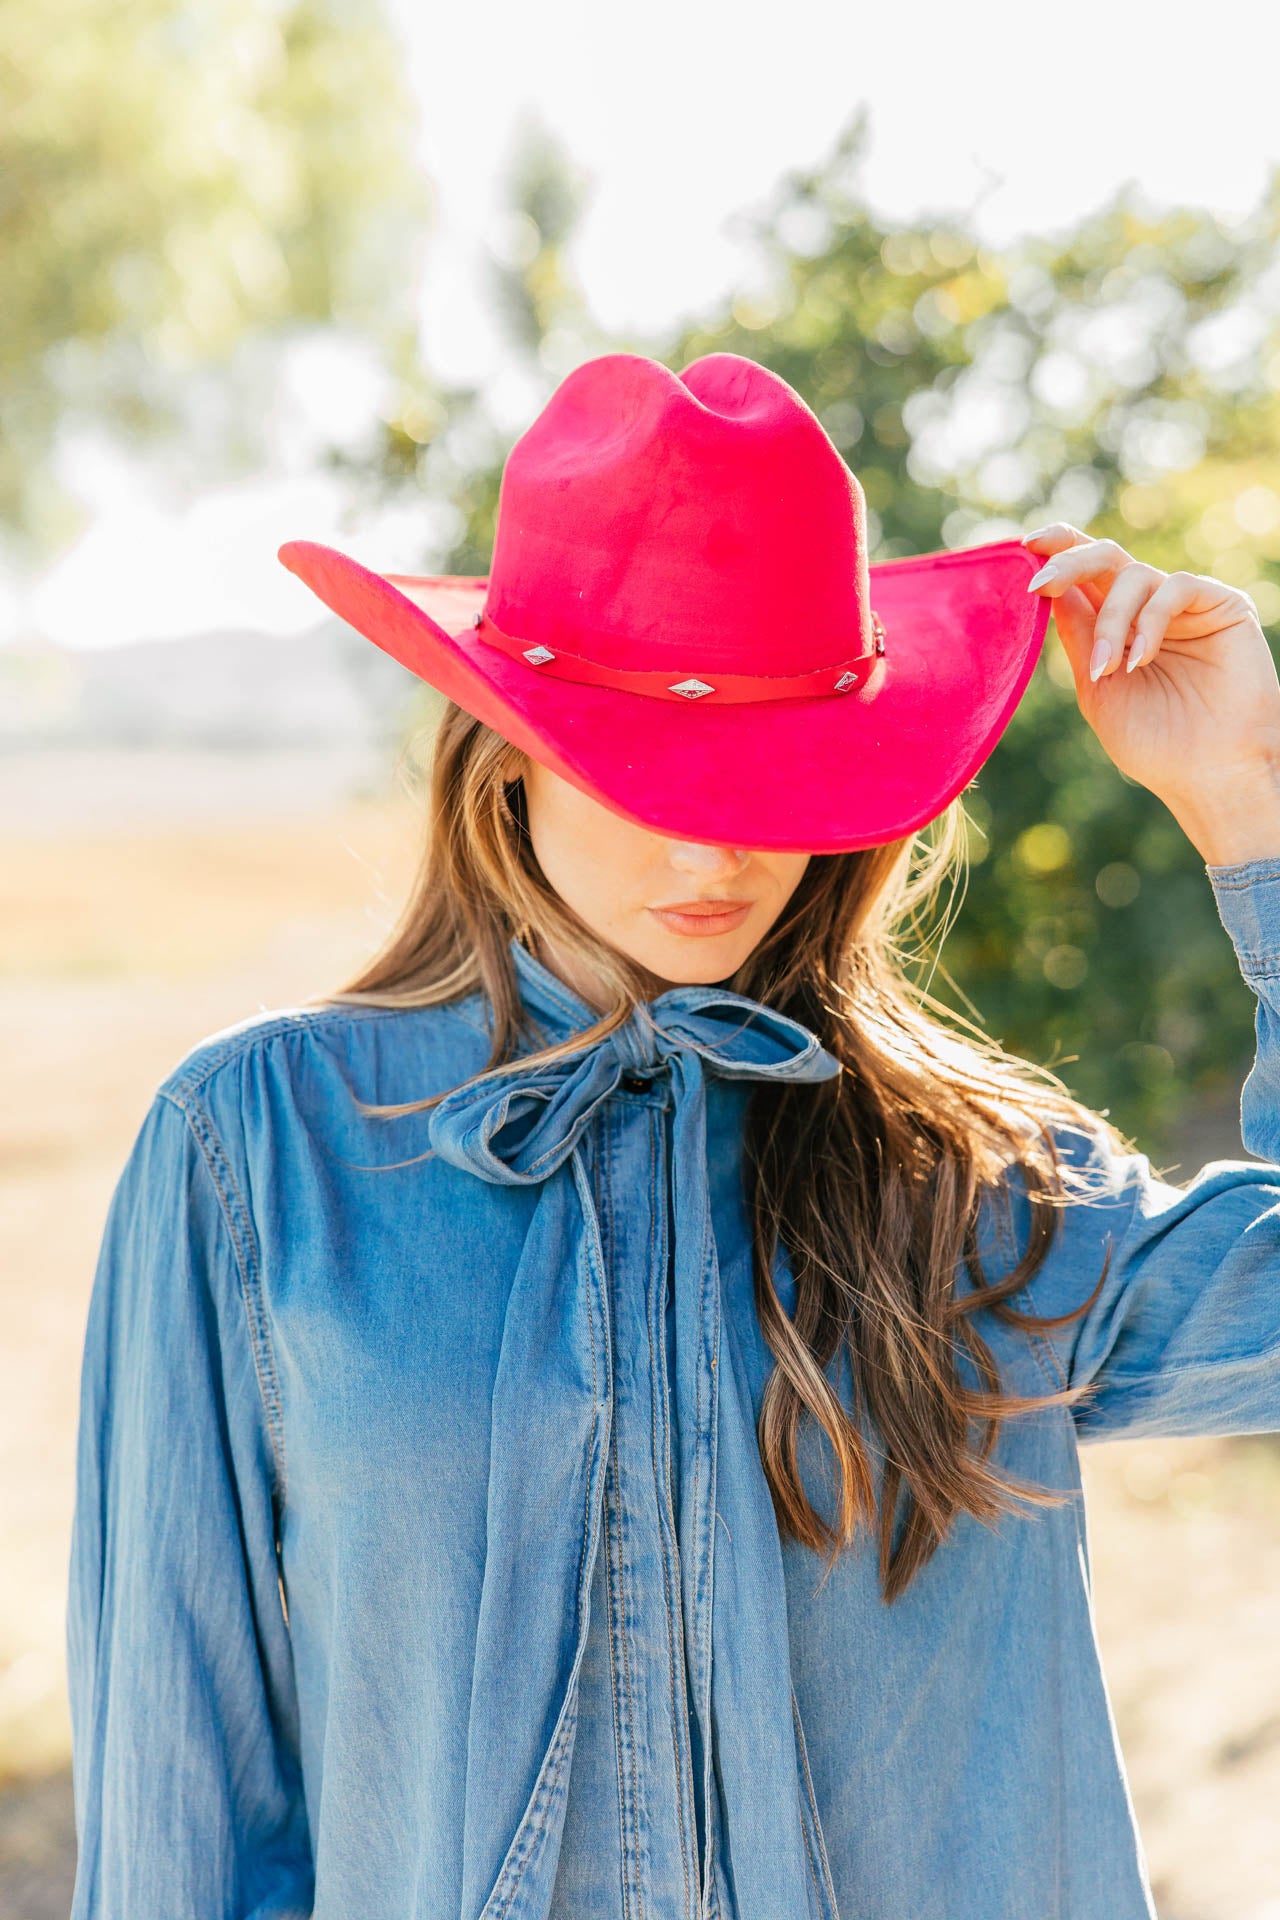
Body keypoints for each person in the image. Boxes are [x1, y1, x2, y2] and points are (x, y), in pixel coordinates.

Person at [67, 351, 1280, 1920]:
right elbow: (177, 1811)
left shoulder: (958, 1174)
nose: (716, 847)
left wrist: (1251, 811)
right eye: (644, 773)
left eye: (772, 776)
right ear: (505, 759)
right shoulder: (260, 1154)